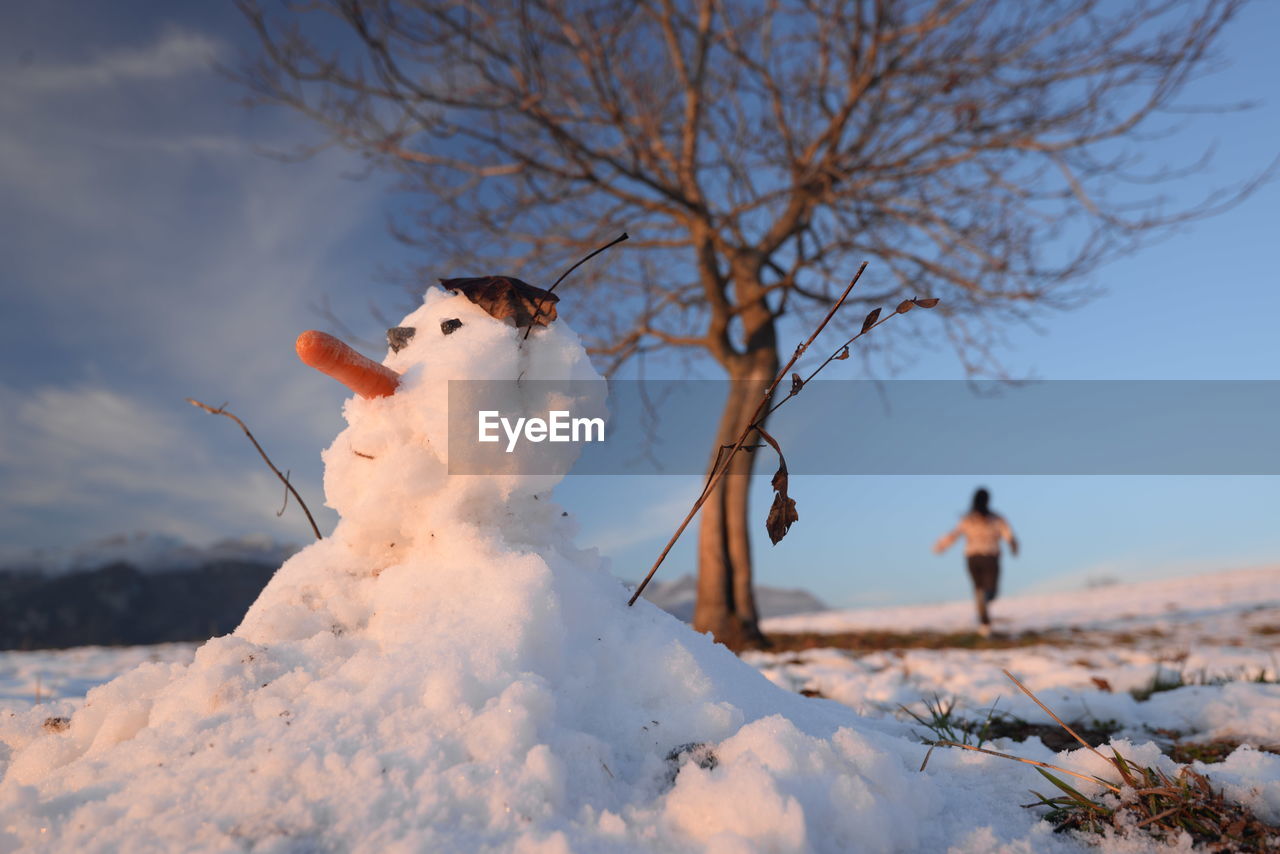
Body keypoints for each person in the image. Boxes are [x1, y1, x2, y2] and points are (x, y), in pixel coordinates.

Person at [934, 487, 1018, 637]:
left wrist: (941, 545)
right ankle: (985, 613)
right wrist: (1013, 544)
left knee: (979, 589)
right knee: (991, 591)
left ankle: (984, 623)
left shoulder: (968, 519)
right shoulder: (996, 518)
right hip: (990, 557)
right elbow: (1008, 534)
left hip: (972, 558)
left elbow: (954, 534)